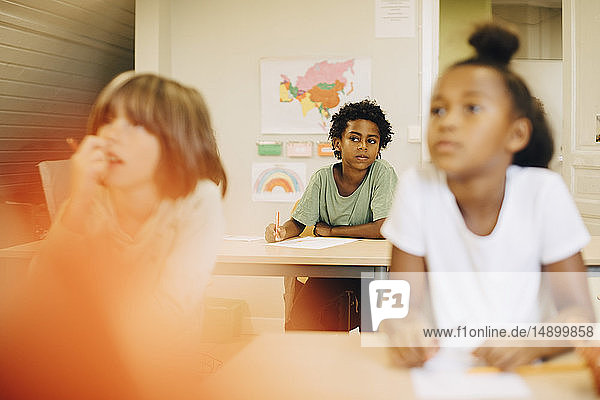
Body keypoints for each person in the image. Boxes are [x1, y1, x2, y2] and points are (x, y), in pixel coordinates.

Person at [0, 72, 227, 399]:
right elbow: (42, 288)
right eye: (108, 120)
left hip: (158, 374)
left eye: (136, 124)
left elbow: (169, 309)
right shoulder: (91, 198)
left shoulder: (197, 200)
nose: (111, 136)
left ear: (174, 141)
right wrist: (78, 200)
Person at [380, 23, 594, 370]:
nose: (447, 122)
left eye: (472, 108)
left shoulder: (543, 193)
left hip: (524, 375)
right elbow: (393, 304)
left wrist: (534, 341)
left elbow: (581, 315)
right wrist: (401, 325)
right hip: (439, 374)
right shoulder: (416, 185)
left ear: (516, 133)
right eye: (438, 109)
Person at [265, 99, 398, 331]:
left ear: (380, 147)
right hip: (332, 269)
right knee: (302, 320)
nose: (363, 146)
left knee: (379, 335)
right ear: (337, 143)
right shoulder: (322, 178)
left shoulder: (382, 173)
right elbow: (298, 223)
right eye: (354, 138)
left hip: (377, 271)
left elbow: (382, 228)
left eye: (371, 141)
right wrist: (281, 232)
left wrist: (333, 231)